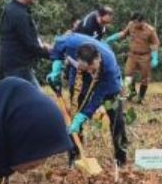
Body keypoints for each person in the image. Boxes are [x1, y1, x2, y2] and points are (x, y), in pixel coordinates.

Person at [48, 32, 128, 168]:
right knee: (74, 112)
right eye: (87, 68)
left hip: (107, 81)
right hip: (79, 77)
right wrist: (55, 68)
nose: (91, 71)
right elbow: (57, 47)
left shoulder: (109, 66)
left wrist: (83, 116)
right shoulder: (71, 43)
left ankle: (121, 158)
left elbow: (97, 97)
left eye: (93, 68)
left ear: (97, 59)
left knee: (117, 120)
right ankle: (74, 155)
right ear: (77, 58)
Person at [0, 0, 48, 84]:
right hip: (18, 67)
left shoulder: (13, 8)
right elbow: (30, 44)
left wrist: (42, 45)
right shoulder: (19, 14)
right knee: (36, 99)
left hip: (16, 65)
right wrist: (52, 53)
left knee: (20, 99)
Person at [121, 12, 160, 103]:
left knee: (145, 78)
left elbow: (155, 44)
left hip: (145, 56)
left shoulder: (150, 30)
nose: (134, 24)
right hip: (132, 55)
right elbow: (123, 34)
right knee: (128, 74)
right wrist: (112, 38)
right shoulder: (131, 25)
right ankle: (129, 93)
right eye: (133, 22)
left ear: (142, 22)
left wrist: (155, 57)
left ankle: (141, 97)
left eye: (136, 22)